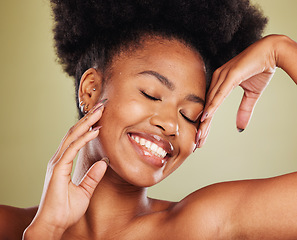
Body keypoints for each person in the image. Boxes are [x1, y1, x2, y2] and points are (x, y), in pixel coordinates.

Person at [0, 0, 296, 239]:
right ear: (91, 89)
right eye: (151, 94)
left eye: (189, 115)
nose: (171, 124)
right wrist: (45, 232)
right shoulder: (7, 226)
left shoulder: (201, 225)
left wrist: (280, 50)